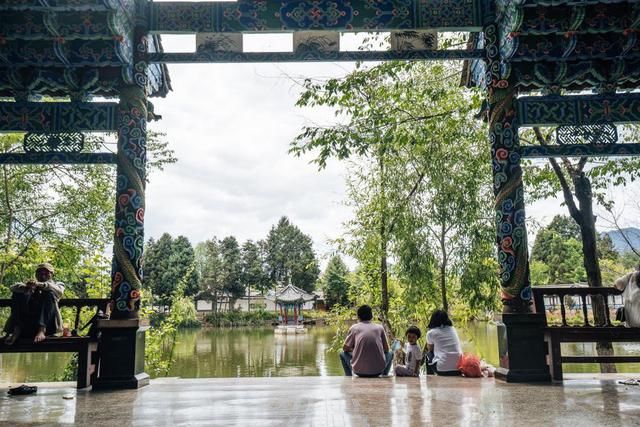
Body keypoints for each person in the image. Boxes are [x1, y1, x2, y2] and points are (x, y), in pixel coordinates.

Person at [2, 263, 64, 344]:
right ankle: (17, 329)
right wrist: (26, 288)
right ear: (36, 274)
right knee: (18, 294)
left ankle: (42, 330)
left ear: (51, 274)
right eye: (40, 272)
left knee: (49, 293)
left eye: (46, 272)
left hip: (48, 327)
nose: (43, 274)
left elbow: (59, 291)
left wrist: (40, 285)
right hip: (27, 324)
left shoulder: (57, 285)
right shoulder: (31, 285)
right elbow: (13, 288)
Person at [340, 305, 393, 377]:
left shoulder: (354, 328)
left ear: (358, 316)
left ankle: (348, 376)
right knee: (390, 353)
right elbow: (386, 349)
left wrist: (355, 349)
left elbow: (345, 348)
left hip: (358, 371)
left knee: (342, 354)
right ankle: (384, 375)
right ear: (371, 316)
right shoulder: (379, 328)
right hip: (378, 371)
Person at [425, 310, 462, 376]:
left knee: (428, 354)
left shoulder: (431, 333)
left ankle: (430, 377)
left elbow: (430, 349)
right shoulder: (453, 329)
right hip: (459, 369)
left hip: (442, 370)